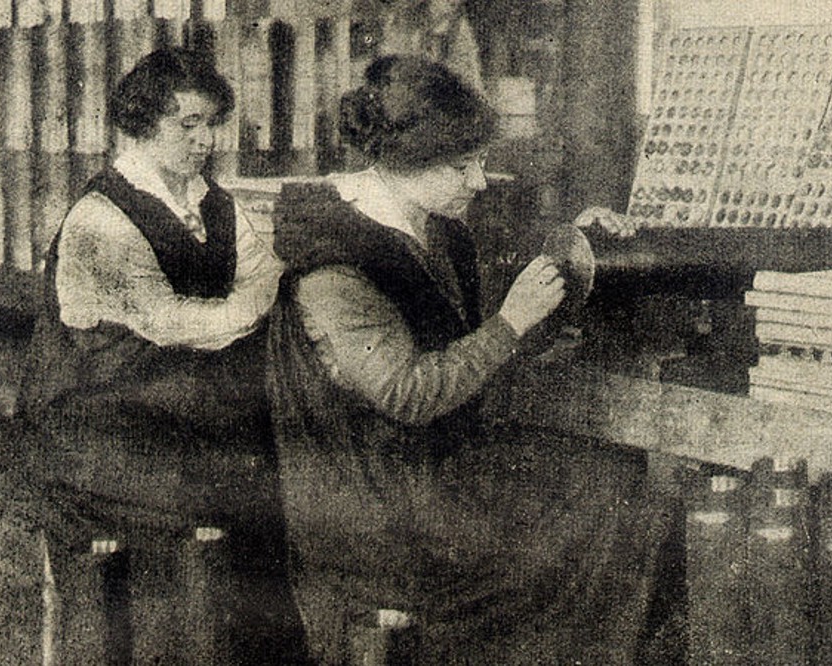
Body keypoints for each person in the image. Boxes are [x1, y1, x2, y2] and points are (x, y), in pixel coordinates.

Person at [268, 54, 684, 664]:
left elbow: (473, 342)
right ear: (407, 164)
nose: (480, 181)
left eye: (482, 162)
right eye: (465, 166)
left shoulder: (433, 227)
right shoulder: (334, 264)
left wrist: (581, 243)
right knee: (611, 521)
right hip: (373, 507)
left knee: (618, 488)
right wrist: (513, 320)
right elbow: (409, 393)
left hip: (428, 473)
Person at [19, 48, 303, 664]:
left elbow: (264, 272)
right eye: (188, 124)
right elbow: (179, 323)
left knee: (268, 488)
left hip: (172, 416)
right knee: (203, 509)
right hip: (100, 432)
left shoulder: (210, 202)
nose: (205, 140)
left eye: (210, 124)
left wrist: (246, 301)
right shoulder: (101, 218)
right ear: (144, 123)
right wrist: (245, 306)